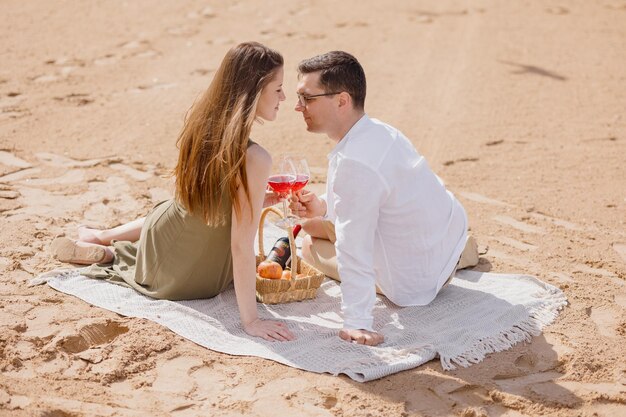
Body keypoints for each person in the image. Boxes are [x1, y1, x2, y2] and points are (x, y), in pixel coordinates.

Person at [50, 41, 295, 343]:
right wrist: (251, 320)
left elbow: (206, 203)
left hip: (168, 256)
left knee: (173, 209)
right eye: (278, 88)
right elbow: (241, 245)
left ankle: (104, 242)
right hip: (201, 279)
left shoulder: (203, 125)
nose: (284, 96)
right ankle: (108, 249)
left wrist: (259, 199)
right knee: (172, 220)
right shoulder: (256, 158)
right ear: (254, 91)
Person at [289, 51, 478, 346]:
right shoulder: (380, 132)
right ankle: (461, 254)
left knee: (309, 244)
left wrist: (357, 322)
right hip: (447, 241)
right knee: (316, 222)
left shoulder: (356, 161)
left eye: (307, 98)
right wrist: (324, 206)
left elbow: (354, 246)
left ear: (341, 100)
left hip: (416, 284)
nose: (298, 107)